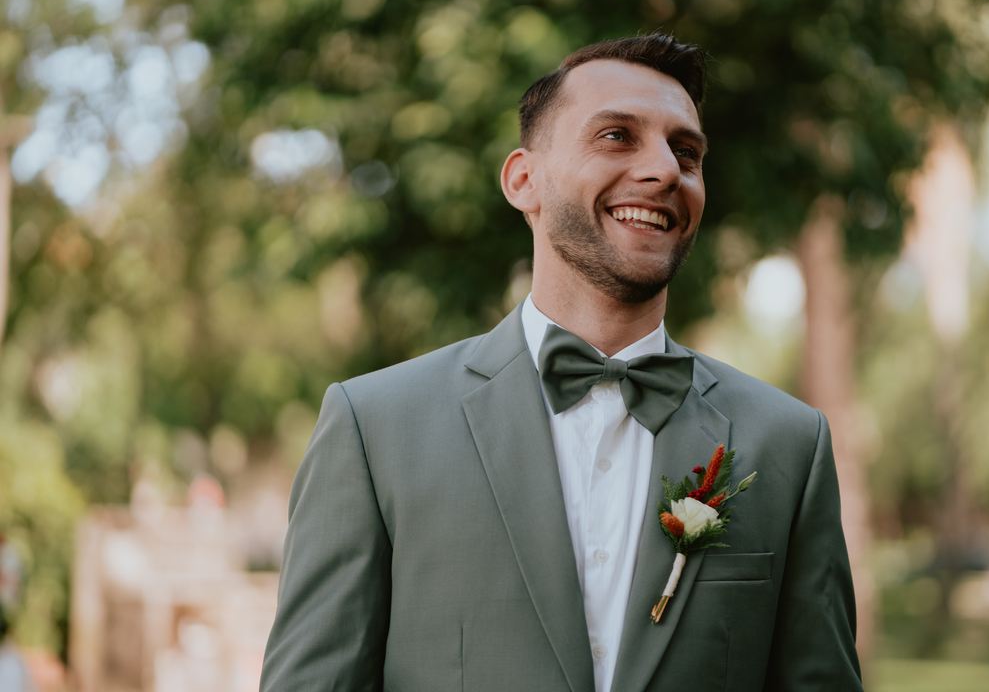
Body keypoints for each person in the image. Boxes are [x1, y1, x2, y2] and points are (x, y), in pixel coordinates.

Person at [260, 35, 863, 691]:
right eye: (617, 136)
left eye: (685, 152)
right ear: (525, 181)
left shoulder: (787, 444)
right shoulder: (373, 428)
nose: (665, 170)